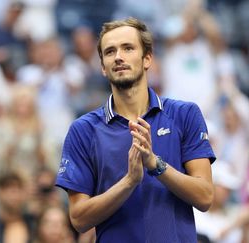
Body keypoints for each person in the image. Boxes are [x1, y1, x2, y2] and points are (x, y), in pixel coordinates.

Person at [55, 17, 216, 242]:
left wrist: (155, 165)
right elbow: (79, 219)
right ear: (102, 67)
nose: (118, 56)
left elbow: (205, 196)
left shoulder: (184, 114)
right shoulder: (83, 130)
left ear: (147, 58)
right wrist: (129, 182)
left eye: (128, 48)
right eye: (110, 52)